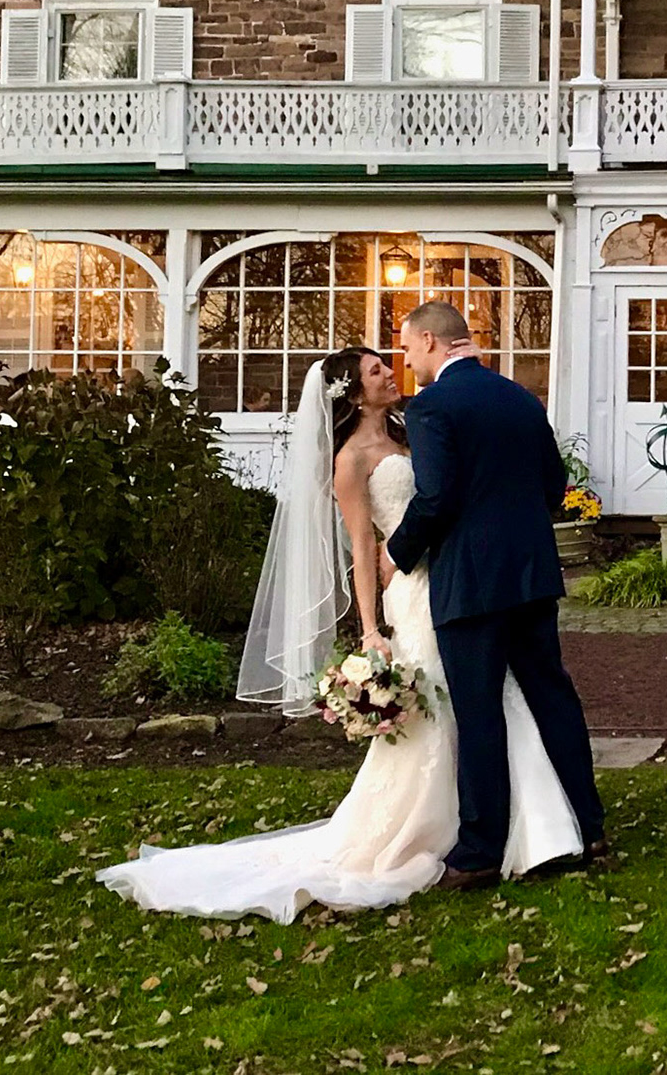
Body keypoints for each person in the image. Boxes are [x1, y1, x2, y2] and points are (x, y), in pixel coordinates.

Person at [94, 347, 583, 923]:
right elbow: (361, 551)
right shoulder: (350, 462)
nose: (389, 373)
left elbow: (448, 493)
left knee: (492, 698)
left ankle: (531, 828)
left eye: (389, 363)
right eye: (376, 370)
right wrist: (371, 629)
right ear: (353, 392)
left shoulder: (416, 426)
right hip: (417, 587)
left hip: (459, 575)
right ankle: (460, 829)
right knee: (456, 707)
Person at [387, 302, 608, 893]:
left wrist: (396, 553)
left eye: (407, 348)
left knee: (478, 709)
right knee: (552, 695)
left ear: (431, 341)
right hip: (532, 573)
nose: (405, 361)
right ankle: (589, 826)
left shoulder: (432, 406)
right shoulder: (518, 397)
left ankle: (481, 850)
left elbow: (435, 498)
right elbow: (555, 485)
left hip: (471, 582)